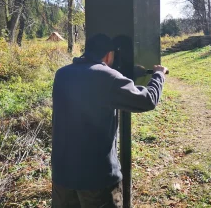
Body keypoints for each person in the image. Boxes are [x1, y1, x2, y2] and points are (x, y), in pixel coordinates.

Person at [51, 33, 168, 208]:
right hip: (97, 178)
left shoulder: (62, 74)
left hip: (63, 175)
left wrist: (125, 74)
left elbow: (90, 86)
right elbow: (147, 100)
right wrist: (159, 75)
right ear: (109, 54)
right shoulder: (108, 77)